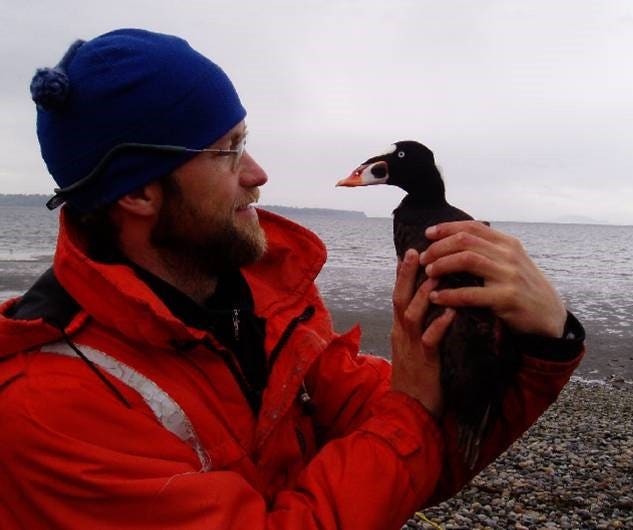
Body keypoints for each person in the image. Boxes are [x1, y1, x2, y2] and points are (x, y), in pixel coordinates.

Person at [0, 29, 585, 529]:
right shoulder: (47, 407)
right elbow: (406, 430)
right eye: (227, 151)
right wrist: (410, 406)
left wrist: (542, 339)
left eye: (245, 141)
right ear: (135, 191)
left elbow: (427, 456)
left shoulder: (270, 302)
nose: (258, 173)